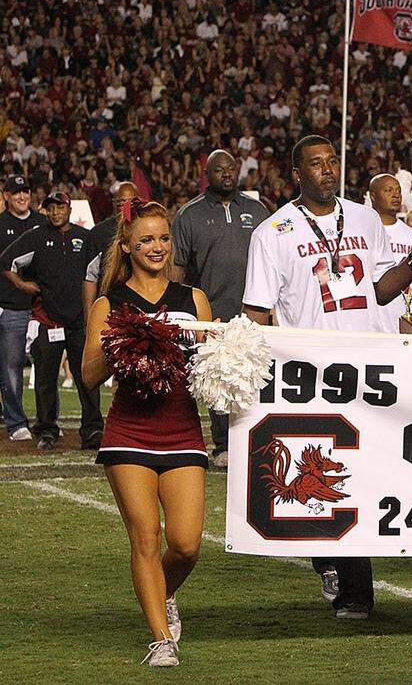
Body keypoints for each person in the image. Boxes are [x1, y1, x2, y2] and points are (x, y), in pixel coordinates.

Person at [242, 135, 412, 620]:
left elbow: (379, 292)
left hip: (368, 370)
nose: (327, 170)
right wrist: (262, 375)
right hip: (311, 372)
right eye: (315, 164)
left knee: (361, 476)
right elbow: (257, 313)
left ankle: (348, 582)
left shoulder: (365, 218)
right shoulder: (273, 232)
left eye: (332, 162)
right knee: (325, 477)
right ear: (296, 174)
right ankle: (342, 574)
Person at [80, 199, 213, 667]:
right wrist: (129, 341)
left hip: (182, 428)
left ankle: (162, 593)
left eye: (162, 238)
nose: (156, 247)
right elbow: (90, 374)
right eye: (146, 240)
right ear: (127, 246)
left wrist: (216, 351)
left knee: (186, 543)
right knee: (146, 534)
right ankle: (161, 639)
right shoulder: (108, 302)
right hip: (129, 431)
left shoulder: (192, 299)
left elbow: (211, 372)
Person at [172, 150, 269, 469]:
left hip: (254, 310)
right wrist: (181, 310)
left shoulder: (258, 209)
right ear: (206, 173)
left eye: (231, 168)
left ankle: (258, 440)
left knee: (257, 377)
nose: (226, 174)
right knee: (218, 379)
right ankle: (223, 445)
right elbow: (178, 267)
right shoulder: (189, 214)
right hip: (211, 310)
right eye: (219, 170)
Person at [0, 192, 103, 450]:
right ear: (46, 211)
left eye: (60, 208)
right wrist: (22, 285)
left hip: (79, 321)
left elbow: (94, 275)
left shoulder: (85, 237)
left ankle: (92, 430)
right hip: (47, 320)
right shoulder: (36, 236)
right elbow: (6, 261)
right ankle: (47, 429)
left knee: (86, 378)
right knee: (46, 380)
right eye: (51, 209)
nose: (56, 213)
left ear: (69, 209)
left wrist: (91, 315)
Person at [0, 174, 48, 442]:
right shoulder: (0, 224)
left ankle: (46, 422)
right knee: (12, 365)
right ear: (6, 195)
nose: (21, 196)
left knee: (46, 367)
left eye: (25, 191)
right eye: (16, 192)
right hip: (11, 307)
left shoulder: (42, 223)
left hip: (42, 309)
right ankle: (16, 422)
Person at [82, 181, 140, 324]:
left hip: (142, 308)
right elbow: (90, 277)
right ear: (114, 203)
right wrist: (89, 318)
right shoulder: (98, 234)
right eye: (121, 202)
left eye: (130, 202)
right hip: (109, 309)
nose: (125, 206)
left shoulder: (148, 228)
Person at [368, 173, 412, 333]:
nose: (396, 194)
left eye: (398, 190)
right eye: (388, 190)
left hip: (402, 320)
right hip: (370, 322)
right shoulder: (362, 231)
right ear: (373, 196)